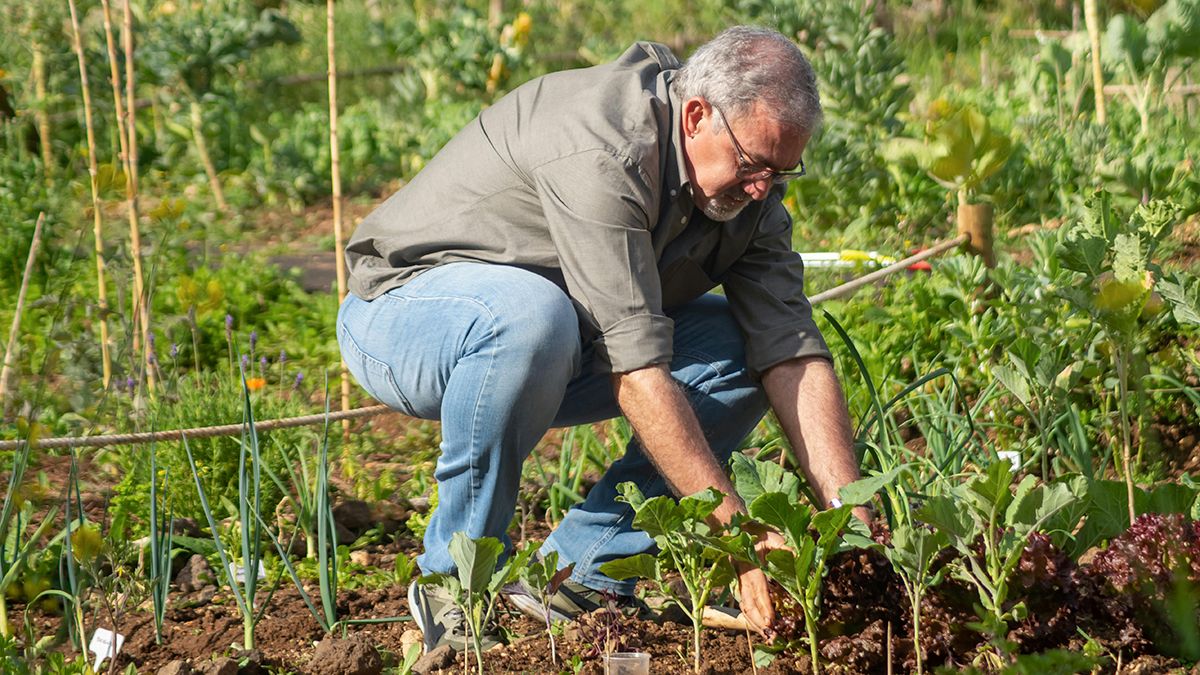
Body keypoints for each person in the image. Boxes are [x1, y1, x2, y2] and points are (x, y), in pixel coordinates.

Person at [337, 25, 868, 653]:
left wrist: (851, 522)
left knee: (737, 349)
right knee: (532, 316)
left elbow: (792, 353)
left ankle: (581, 574)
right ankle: (456, 579)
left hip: (555, 338)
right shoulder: (605, 149)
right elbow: (638, 374)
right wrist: (739, 538)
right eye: (753, 164)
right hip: (406, 314)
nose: (762, 188)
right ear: (696, 116)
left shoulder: (751, 200)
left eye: (782, 171)